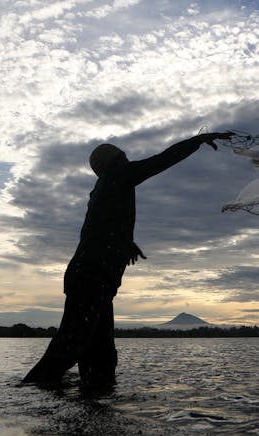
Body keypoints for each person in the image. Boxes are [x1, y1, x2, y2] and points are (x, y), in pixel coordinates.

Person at [23, 131, 232, 389]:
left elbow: (98, 227)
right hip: (92, 277)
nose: (128, 160)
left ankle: (95, 400)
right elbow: (162, 160)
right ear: (115, 162)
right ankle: (27, 392)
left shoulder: (103, 189)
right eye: (124, 157)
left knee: (100, 354)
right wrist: (198, 140)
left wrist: (126, 243)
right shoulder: (118, 177)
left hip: (91, 277)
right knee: (71, 345)